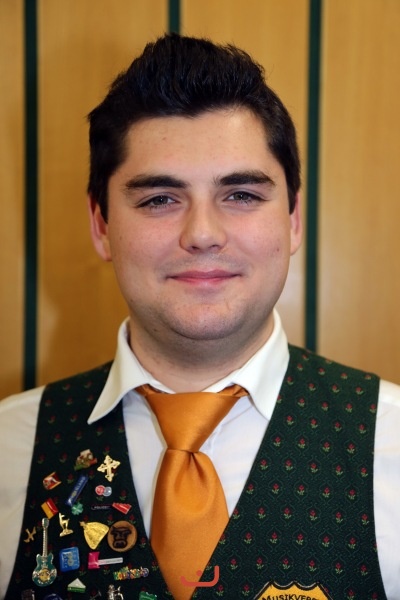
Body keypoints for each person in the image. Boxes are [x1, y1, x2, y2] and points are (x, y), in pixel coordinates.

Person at [1, 33, 399, 600]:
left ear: (292, 220)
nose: (203, 234)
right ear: (101, 225)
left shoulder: (393, 447)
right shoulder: (7, 451)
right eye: (159, 199)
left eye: (241, 195)